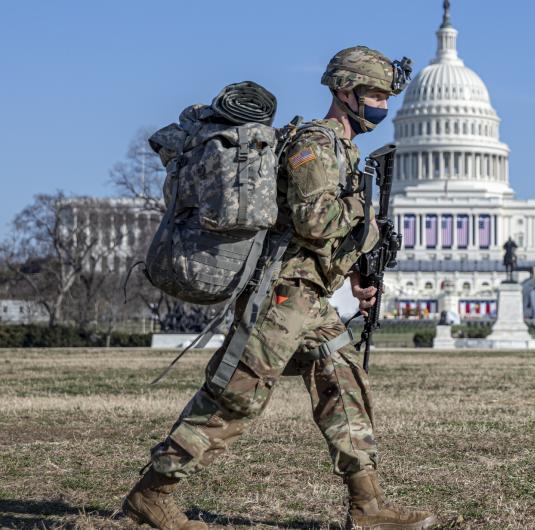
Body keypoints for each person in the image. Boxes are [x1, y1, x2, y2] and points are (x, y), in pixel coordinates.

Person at [123, 46, 436, 530]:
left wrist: (355, 265)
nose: (381, 104)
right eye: (373, 93)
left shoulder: (344, 150)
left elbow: (321, 232)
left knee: (343, 383)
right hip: (282, 294)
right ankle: (153, 493)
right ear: (344, 92)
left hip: (310, 296)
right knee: (236, 396)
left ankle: (368, 505)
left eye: (385, 95)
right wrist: (369, 222)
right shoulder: (316, 141)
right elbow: (314, 220)